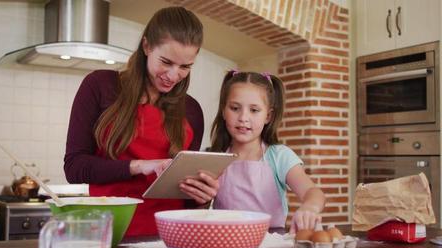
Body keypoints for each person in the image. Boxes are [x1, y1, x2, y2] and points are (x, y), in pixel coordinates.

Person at [64, 6, 219, 236]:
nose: (174, 76)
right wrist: (139, 166)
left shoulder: (192, 110)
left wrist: (201, 198)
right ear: (146, 46)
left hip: (169, 236)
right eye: (166, 62)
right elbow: (74, 168)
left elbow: (185, 199)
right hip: (108, 232)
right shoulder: (100, 86)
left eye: (185, 66)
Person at [210, 70, 326, 233]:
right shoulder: (213, 157)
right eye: (235, 108)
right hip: (224, 242)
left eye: (254, 110)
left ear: (268, 116)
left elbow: (312, 191)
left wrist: (310, 207)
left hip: (271, 242)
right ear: (223, 111)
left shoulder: (279, 156)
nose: (243, 117)